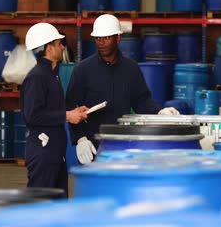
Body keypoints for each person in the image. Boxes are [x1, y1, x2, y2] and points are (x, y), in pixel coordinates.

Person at [66, 14, 180, 164]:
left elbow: (142, 100)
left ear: (118, 38)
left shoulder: (130, 69)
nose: (101, 43)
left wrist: (159, 112)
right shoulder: (83, 70)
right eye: (98, 38)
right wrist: (80, 139)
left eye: (106, 38)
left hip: (123, 145)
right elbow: (70, 106)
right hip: (92, 146)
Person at [21, 22, 88, 196]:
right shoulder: (37, 78)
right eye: (59, 44)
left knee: (58, 202)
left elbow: (55, 108)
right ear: (49, 49)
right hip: (43, 152)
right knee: (40, 203)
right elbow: (32, 116)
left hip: (55, 151)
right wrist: (67, 116)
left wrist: (76, 112)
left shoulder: (52, 75)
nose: (63, 46)